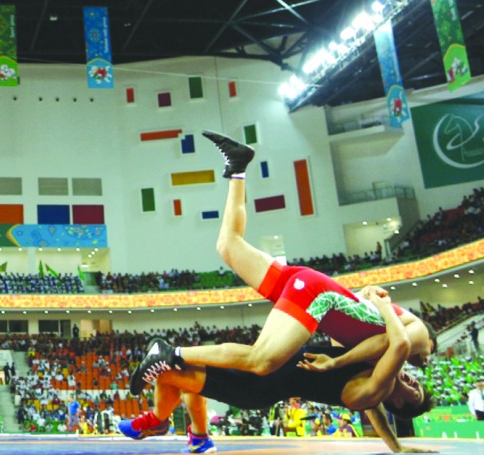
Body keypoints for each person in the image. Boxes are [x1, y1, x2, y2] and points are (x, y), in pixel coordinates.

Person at [131, 131, 434, 396]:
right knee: (261, 361)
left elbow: (364, 347)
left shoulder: (377, 357)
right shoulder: (416, 336)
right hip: (317, 292)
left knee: (228, 245)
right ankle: (171, 353)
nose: (426, 362)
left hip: (312, 287)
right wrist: (346, 352)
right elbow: (397, 343)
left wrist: (395, 444)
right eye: (431, 353)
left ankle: (237, 167)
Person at [120, 290, 435, 454]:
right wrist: (394, 444)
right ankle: (197, 436)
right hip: (272, 369)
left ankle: (162, 421)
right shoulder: (374, 379)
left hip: (259, 386)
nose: (412, 379)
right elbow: (377, 408)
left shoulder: (371, 388)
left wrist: (383, 306)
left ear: (400, 405)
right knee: (179, 372)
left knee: (170, 373)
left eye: (414, 391)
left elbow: (401, 344)